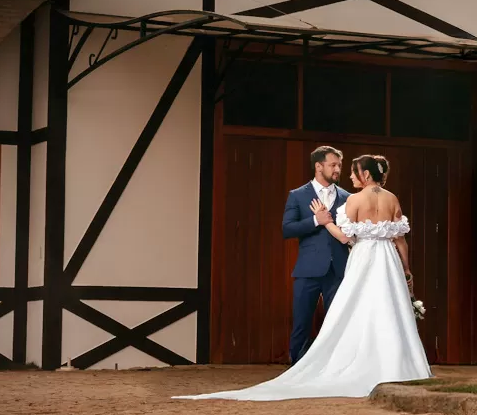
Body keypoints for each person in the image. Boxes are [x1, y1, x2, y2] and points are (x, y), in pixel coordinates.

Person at [178, 152, 430, 400]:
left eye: (350, 170)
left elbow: (346, 237)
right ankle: (394, 364)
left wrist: (326, 220)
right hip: (386, 261)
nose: (345, 173)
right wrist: (406, 269)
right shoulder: (391, 198)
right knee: (388, 309)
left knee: (354, 312)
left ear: (364, 174)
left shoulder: (351, 199)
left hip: (362, 259)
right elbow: (401, 240)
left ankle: (353, 363)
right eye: (335, 165)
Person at [280, 145, 352, 364]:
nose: (338, 169)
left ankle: (334, 367)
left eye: (339, 165)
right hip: (308, 268)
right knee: (301, 321)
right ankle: (296, 368)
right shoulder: (298, 195)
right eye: (333, 165)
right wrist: (314, 221)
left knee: (337, 322)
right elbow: (287, 229)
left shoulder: (348, 197)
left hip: (338, 269)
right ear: (318, 166)